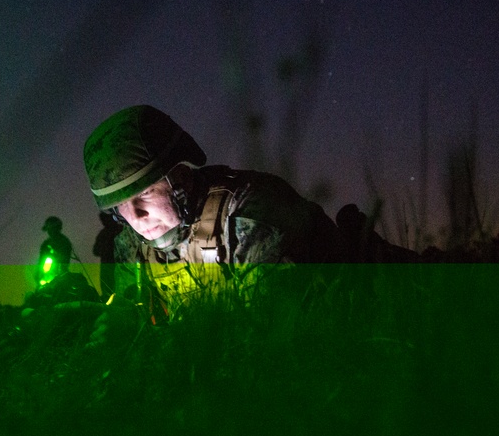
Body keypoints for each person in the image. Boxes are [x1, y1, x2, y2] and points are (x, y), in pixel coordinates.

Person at [82, 104, 346, 317]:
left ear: (179, 177)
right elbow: (135, 324)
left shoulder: (250, 213)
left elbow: (280, 332)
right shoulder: (132, 246)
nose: (136, 217)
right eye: (121, 206)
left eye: (144, 193)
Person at [92, 211, 124, 299]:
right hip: (113, 264)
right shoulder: (119, 230)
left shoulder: (105, 233)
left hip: (115, 265)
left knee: (110, 286)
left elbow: (95, 251)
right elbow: (95, 251)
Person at [36, 216, 73, 286]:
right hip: (45, 277)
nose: (49, 232)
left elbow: (65, 261)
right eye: (48, 229)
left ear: (56, 228)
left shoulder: (64, 241)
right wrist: (38, 274)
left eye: (51, 228)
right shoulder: (46, 244)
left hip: (59, 276)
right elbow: (41, 260)